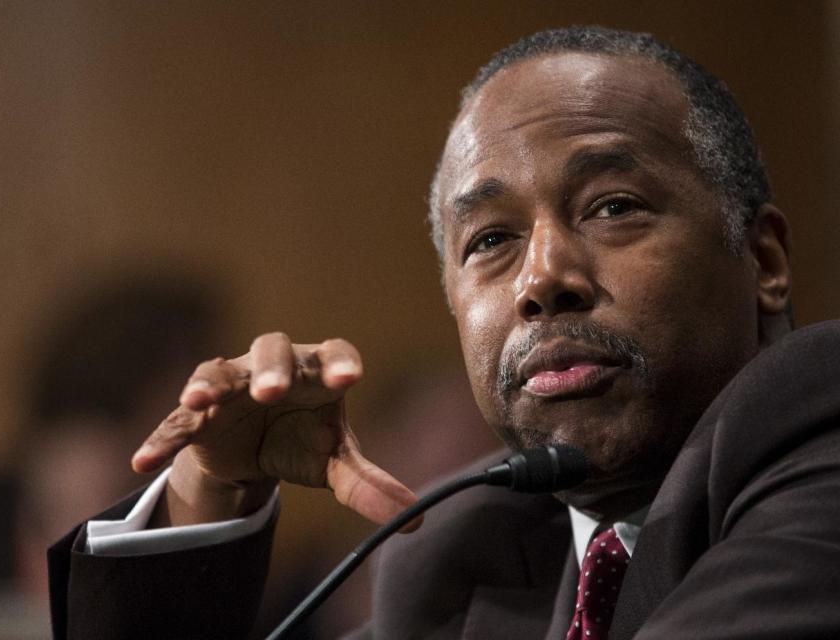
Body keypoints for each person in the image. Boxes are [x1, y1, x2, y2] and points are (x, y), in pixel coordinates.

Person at [49, 26, 840, 639]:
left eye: (612, 207)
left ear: (763, 258)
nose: (542, 279)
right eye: (491, 240)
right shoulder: (467, 548)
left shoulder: (818, 440)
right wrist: (210, 492)